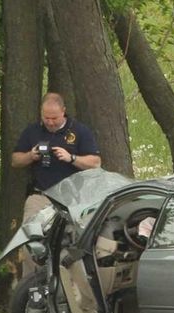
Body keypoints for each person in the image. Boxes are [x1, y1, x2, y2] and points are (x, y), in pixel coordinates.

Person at [12, 92, 102, 274]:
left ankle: (68, 290)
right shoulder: (32, 131)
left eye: (54, 118)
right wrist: (31, 156)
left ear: (64, 112)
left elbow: (96, 163)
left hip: (72, 200)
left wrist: (71, 158)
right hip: (41, 196)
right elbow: (15, 160)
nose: (50, 122)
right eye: (46, 118)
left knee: (74, 244)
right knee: (30, 243)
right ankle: (31, 289)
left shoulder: (79, 131)